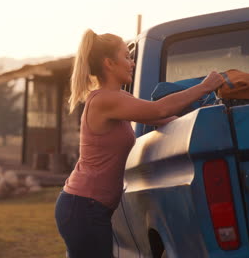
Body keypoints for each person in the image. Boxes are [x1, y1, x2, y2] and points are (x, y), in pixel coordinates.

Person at [54, 29, 225, 258]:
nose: (132, 63)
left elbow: (164, 117)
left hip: (88, 207)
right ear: (109, 63)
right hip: (84, 207)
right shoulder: (104, 100)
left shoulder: (119, 100)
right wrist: (204, 86)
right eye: (126, 56)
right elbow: (160, 108)